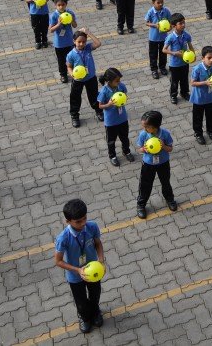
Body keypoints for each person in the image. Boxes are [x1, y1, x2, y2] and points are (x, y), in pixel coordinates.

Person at [54, 199, 105, 334]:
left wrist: (101, 260)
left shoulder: (92, 226)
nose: (83, 223)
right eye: (78, 221)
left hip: (94, 270)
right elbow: (58, 261)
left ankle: (95, 311)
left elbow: (98, 243)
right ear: (68, 221)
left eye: (84, 219)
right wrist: (77, 270)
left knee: (95, 295)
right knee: (81, 301)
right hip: (75, 276)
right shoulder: (63, 238)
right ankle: (84, 317)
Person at [135, 110, 178, 218]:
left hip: (163, 163)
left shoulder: (165, 134)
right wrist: (143, 149)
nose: (145, 129)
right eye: (144, 126)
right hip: (148, 164)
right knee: (145, 185)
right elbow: (139, 149)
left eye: (147, 127)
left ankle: (170, 199)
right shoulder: (143, 134)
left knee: (166, 182)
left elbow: (170, 149)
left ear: (155, 126)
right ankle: (141, 204)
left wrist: (163, 146)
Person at [66, 28, 103, 128]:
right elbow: (69, 67)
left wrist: (88, 33)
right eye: (79, 42)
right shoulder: (71, 55)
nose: (81, 44)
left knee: (94, 96)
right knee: (75, 98)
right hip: (78, 80)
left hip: (90, 78)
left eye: (83, 41)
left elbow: (98, 43)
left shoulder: (88, 48)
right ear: (74, 41)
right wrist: (72, 74)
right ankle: (74, 116)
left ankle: (99, 111)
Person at [97, 68, 133, 166]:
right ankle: (112, 156)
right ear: (109, 81)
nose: (119, 82)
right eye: (117, 80)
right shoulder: (104, 91)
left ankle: (126, 151)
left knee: (124, 138)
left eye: (119, 80)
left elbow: (125, 94)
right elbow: (100, 106)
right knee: (111, 141)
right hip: (111, 121)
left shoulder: (121, 86)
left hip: (122, 118)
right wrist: (108, 104)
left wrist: (123, 99)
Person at [189, 46, 212, 144]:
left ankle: (211, 131)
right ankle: (198, 133)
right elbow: (192, 83)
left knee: (211, 115)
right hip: (199, 99)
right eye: (209, 58)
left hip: (210, 97)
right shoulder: (197, 69)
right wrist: (205, 83)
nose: (211, 60)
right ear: (203, 58)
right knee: (198, 117)